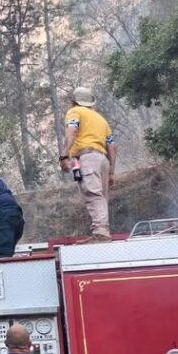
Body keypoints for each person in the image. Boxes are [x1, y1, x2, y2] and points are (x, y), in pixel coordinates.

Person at [60, 86, 116, 243]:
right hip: (103, 160)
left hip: (87, 157)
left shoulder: (75, 112)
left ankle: (101, 233)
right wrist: (111, 171)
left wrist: (64, 154)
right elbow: (112, 146)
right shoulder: (101, 120)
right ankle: (102, 231)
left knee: (92, 194)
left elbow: (72, 131)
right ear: (91, 102)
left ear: (74, 101)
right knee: (101, 197)